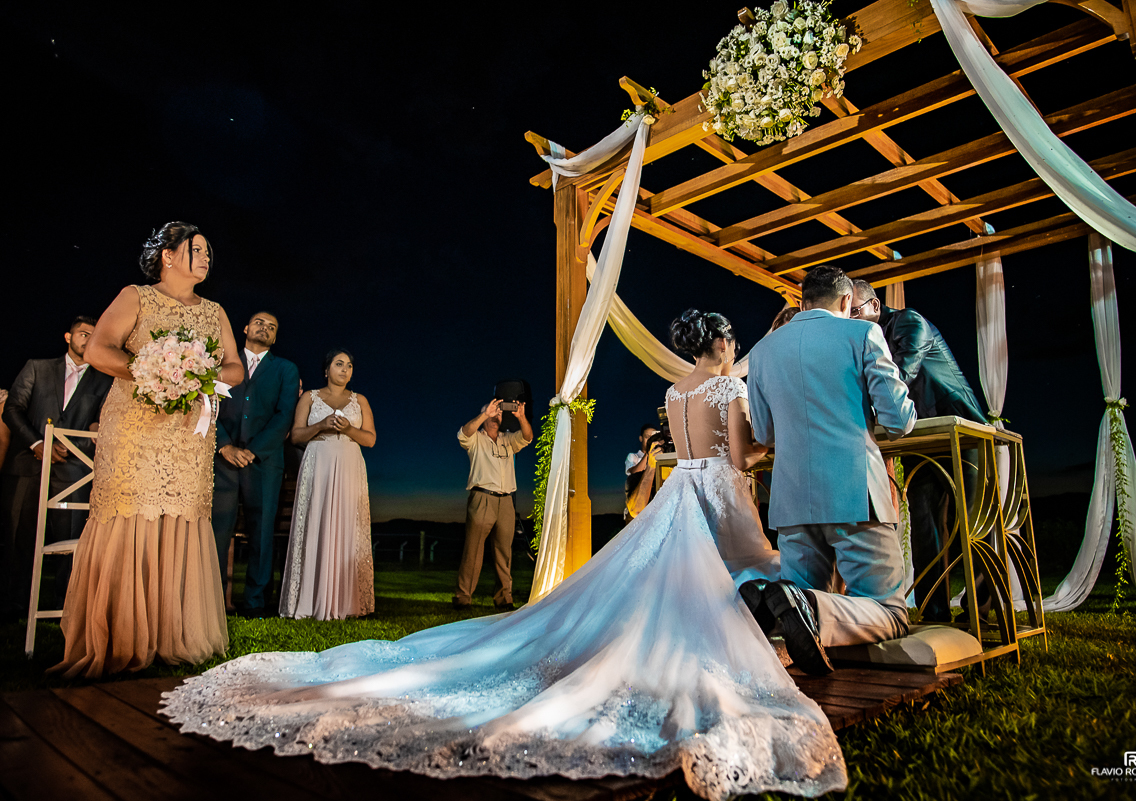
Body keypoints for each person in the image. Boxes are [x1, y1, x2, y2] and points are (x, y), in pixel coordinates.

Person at [161, 309, 847, 801]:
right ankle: (751, 643)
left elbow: (678, 450)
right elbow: (739, 452)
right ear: (725, 343)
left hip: (681, 488)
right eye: (732, 341)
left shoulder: (673, 392)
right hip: (721, 487)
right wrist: (770, 445)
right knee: (736, 573)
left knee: (673, 581)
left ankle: (713, 640)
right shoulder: (728, 387)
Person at [52, 221, 244, 678]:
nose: (205, 257)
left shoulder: (215, 312)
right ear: (168, 256)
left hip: (187, 437)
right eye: (196, 249)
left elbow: (234, 367)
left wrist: (199, 377)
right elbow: (100, 350)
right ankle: (121, 634)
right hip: (135, 431)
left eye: (208, 252)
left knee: (180, 521)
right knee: (131, 516)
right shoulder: (134, 296)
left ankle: (172, 633)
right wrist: (154, 371)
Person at [745, 265, 916, 676]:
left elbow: (764, 433)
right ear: (846, 302)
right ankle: (810, 604)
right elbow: (899, 420)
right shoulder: (862, 334)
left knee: (799, 614)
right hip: (855, 495)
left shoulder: (763, 351)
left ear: (802, 304)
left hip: (791, 501)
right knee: (891, 612)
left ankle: (794, 602)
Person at [850, 279, 989, 621]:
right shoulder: (861, 342)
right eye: (846, 313)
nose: (850, 320)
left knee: (974, 524)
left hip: (961, 431)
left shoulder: (909, 323)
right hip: (919, 439)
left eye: (856, 311)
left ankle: (981, 609)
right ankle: (935, 612)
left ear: (875, 306)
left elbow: (899, 376)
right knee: (926, 531)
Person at [0, 317, 113, 620]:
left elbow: (101, 425)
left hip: (73, 470)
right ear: (68, 336)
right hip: (27, 465)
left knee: (69, 541)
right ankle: (14, 605)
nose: (87, 339)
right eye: (82, 334)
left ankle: (63, 607)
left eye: (93, 335)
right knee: (17, 537)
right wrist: (38, 445)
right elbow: (12, 410)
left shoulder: (103, 381)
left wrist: (76, 448)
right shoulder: (37, 367)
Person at [212, 311, 300, 617]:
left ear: (275, 338)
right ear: (246, 328)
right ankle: (212, 601)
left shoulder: (286, 370)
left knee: (261, 532)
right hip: (222, 460)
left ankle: (255, 603)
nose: (265, 328)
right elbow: (209, 406)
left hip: (264, 463)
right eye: (260, 323)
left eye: (272, 327)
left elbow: (284, 415)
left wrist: (253, 451)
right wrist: (224, 445)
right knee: (216, 531)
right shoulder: (220, 362)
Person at [279, 349, 376, 620]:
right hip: (318, 460)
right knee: (316, 521)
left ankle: (346, 601)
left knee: (348, 525)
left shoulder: (361, 400)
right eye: (338, 364)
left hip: (349, 462)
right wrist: (321, 424)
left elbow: (370, 439)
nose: (344, 370)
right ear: (326, 370)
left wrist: (347, 429)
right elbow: (296, 436)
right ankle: (310, 598)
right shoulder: (310, 397)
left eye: (349, 366)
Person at [453, 397, 533, 610]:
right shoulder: (476, 439)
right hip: (482, 498)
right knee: (473, 550)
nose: (497, 415)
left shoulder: (508, 439)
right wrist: (484, 414)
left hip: (506, 501)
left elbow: (527, 437)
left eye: (499, 413)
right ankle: (463, 597)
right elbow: (463, 433)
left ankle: (504, 599)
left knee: (503, 552)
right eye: (492, 412)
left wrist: (522, 417)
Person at [623, 423, 661, 521]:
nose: (650, 440)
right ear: (641, 438)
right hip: (636, 505)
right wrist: (649, 454)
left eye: (653, 437)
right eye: (647, 437)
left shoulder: (659, 455)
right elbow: (634, 473)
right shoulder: (633, 456)